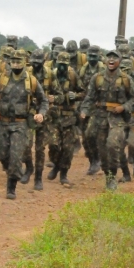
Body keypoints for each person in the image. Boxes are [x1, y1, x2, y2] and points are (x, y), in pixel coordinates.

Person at [0, 48, 48, 199]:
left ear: (25, 63)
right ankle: (11, 169)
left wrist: (41, 114)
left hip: (21, 124)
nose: (15, 64)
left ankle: (11, 187)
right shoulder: (2, 79)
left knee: (16, 156)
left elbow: (43, 100)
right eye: (13, 61)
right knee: (2, 154)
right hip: (3, 122)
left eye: (18, 61)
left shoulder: (32, 81)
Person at [80, 50, 134, 191]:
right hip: (100, 117)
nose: (111, 60)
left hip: (117, 119)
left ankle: (113, 177)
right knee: (101, 148)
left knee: (112, 145)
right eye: (109, 57)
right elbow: (90, 97)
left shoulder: (126, 79)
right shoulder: (97, 78)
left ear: (119, 60)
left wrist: (123, 107)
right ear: (105, 60)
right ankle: (108, 175)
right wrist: (84, 110)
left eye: (115, 58)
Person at [22, 49, 61, 190]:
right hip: (28, 114)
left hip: (46, 116)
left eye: (38, 62)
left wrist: (53, 98)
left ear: (44, 62)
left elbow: (60, 95)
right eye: (33, 62)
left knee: (40, 148)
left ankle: (38, 178)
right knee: (26, 145)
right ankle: (28, 168)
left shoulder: (50, 75)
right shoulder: (25, 74)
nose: (36, 65)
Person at [46, 52, 84, 185]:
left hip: (69, 117)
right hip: (54, 117)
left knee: (68, 148)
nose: (62, 68)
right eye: (60, 64)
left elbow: (83, 92)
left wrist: (76, 96)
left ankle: (63, 173)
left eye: (64, 65)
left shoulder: (73, 76)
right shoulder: (51, 75)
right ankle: (56, 165)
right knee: (53, 145)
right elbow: (43, 92)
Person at [78, 45, 105, 175]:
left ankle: (99, 160)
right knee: (85, 137)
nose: (91, 58)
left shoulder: (104, 70)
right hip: (86, 105)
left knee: (94, 134)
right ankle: (92, 160)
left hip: (100, 108)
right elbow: (80, 88)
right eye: (89, 56)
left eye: (94, 56)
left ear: (99, 56)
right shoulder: (83, 70)